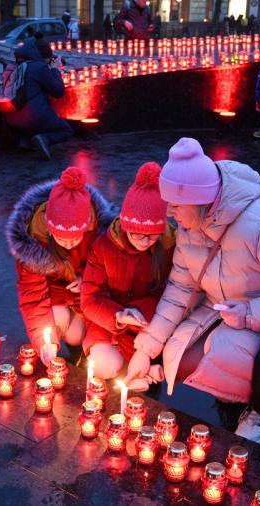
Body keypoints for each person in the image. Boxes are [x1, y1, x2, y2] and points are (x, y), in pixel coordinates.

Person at [126, 138, 260, 444]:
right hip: (226, 307)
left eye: (175, 204)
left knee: (225, 354)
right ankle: (240, 391)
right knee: (177, 358)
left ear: (199, 200)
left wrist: (250, 314)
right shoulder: (189, 228)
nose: (169, 212)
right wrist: (145, 351)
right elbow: (180, 290)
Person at [7, 167, 115, 366]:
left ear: (88, 224)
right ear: (48, 228)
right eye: (60, 238)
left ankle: (82, 350)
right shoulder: (34, 241)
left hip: (88, 296)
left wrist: (87, 281)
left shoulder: (100, 234)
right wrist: (43, 342)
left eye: (74, 238)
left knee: (82, 338)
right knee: (59, 323)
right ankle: (70, 344)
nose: (68, 244)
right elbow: (32, 296)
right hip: (55, 297)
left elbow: (111, 274)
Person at [81, 163, 175, 380]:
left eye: (151, 235)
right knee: (104, 366)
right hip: (106, 321)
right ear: (125, 225)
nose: (144, 241)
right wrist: (119, 316)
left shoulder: (170, 248)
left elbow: (169, 295)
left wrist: (139, 311)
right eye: (136, 234)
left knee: (152, 362)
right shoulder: (104, 246)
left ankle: (142, 372)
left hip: (146, 324)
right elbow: (90, 299)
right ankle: (136, 374)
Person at [4, 37, 72, 159]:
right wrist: (55, 70)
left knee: (29, 119)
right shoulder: (39, 68)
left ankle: (25, 141)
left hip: (11, 118)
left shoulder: (13, 66)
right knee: (66, 130)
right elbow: (58, 92)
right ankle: (44, 139)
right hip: (34, 117)